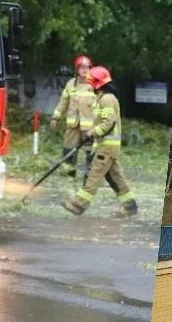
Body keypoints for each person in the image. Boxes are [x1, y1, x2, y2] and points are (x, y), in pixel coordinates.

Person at [63, 66, 138, 217]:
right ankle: (130, 206)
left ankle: (79, 204)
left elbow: (107, 123)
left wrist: (91, 133)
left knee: (94, 175)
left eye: (91, 82)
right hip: (106, 146)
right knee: (115, 178)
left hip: (107, 147)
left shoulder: (107, 99)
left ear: (97, 83)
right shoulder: (103, 98)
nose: (89, 85)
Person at [50, 55, 96, 177]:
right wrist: (55, 117)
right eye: (82, 67)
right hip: (73, 125)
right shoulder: (71, 84)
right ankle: (68, 172)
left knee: (91, 151)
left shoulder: (95, 85)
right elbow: (63, 102)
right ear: (77, 69)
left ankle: (91, 175)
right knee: (68, 148)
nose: (85, 70)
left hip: (90, 127)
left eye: (87, 67)